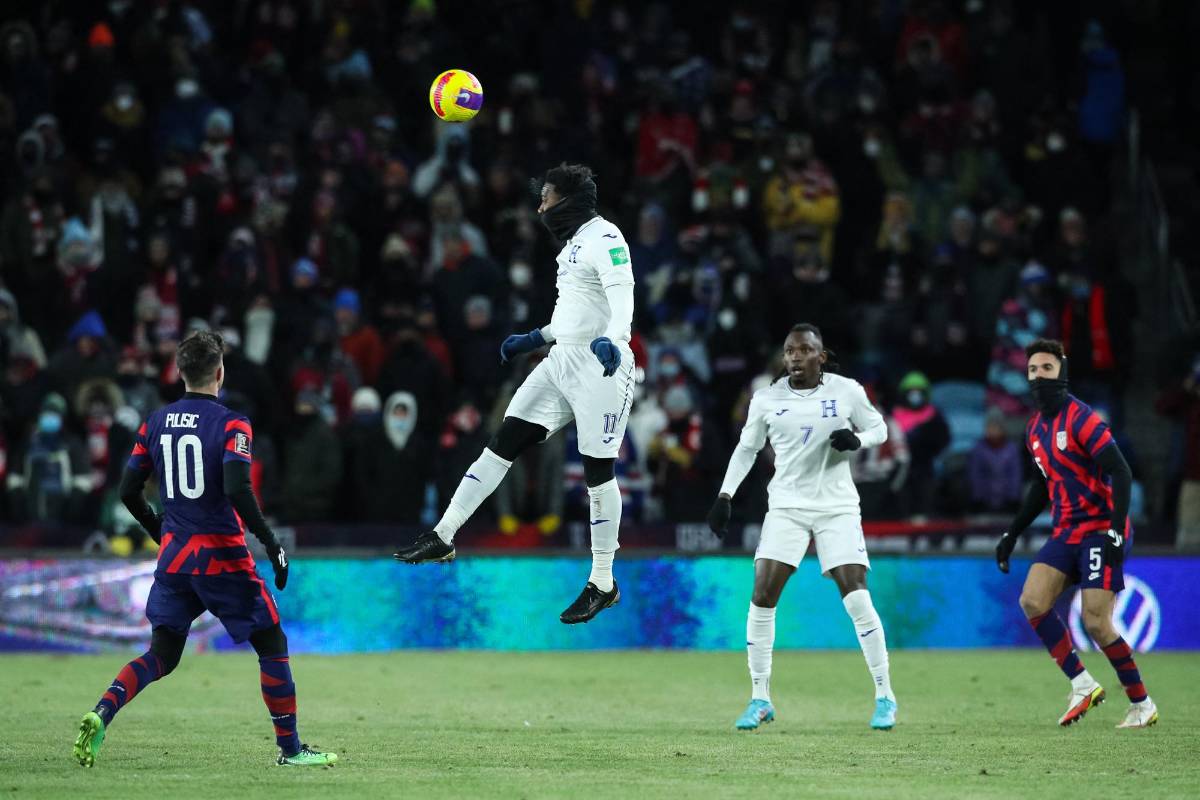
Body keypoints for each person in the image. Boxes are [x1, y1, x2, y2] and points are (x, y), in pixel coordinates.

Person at [72, 331, 336, 767]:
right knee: (271, 642)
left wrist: (160, 528)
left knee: (161, 654)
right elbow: (236, 487)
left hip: (175, 557)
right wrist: (269, 542)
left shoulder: (154, 423)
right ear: (220, 372)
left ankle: (103, 710)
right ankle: (290, 750)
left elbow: (127, 489)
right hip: (221, 556)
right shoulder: (233, 424)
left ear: (180, 372)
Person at [394, 163, 636, 625]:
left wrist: (617, 339)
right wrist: (539, 336)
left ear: (567, 201)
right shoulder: (572, 245)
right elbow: (578, 309)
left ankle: (603, 582)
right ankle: (443, 535)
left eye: (546, 197)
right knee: (502, 441)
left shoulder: (606, 238)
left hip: (602, 368)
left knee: (597, 474)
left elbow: (620, 290)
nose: (540, 206)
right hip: (561, 361)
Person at [707, 324, 898, 731]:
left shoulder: (846, 391)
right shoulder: (767, 399)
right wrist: (724, 496)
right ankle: (760, 698)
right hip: (788, 507)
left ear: (820, 356)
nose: (795, 356)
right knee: (762, 594)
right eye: (789, 350)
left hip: (837, 507)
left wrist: (858, 440)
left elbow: (880, 428)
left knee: (856, 597)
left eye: (804, 350)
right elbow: (747, 449)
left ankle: (885, 695)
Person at [994, 339, 1155, 729]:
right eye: (1032, 371)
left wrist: (1117, 529)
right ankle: (1082, 683)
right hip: (1067, 530)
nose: (1038, 378)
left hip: (1100, 529)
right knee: (1032, 600)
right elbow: (1040, 486)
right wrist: (1012, 533)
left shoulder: (1082, 418)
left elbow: (1120, 470)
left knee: (1097, 623)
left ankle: (1142, 704)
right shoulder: (1033, 428)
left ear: (1061, 373)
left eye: (1046, 370)